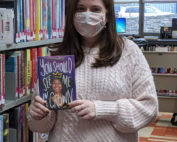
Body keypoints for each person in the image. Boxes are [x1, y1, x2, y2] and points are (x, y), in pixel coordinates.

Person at [27, 0, 158, 141]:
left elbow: (149, 109)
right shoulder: (57, 57)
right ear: (72, 15)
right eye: (80, 9)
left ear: (107, 16)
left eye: (95, 9)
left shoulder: (128, 52)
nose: (87, 15)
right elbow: (40, 126)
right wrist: (37, 114)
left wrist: (102, 109)